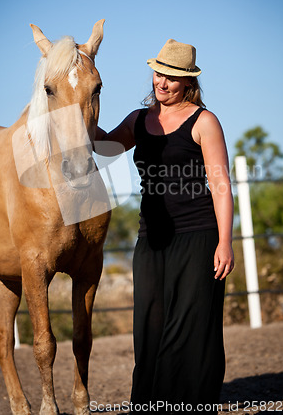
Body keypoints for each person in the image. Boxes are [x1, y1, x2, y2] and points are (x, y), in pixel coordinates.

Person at [96, 38, 234, 413]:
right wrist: (79, 114)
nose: (163, 82)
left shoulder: (204, 121)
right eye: (159, 73)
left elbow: (220, 185)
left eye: (172, 77)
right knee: (150, 325)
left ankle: (190, 404)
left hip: (199, 235)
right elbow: (106, 147)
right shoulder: (139, 120)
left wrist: (225, 242)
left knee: (190, 323)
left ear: (188, 82)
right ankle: (152, 404)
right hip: (151, 239)